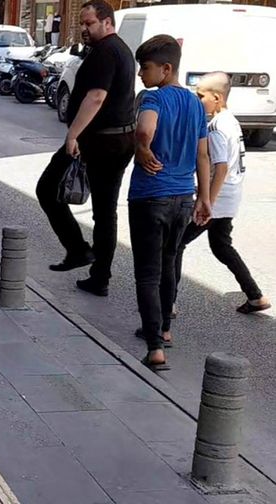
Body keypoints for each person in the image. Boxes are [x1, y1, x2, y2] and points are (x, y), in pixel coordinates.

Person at [35, 0, 135, 297]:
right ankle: (98, 274)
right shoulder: (120, 49)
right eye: (82, 23)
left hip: (100, 141)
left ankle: (80, 251)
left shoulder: (106, 51)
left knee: (47, 189)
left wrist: (73, 135)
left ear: (107, 22)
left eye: (89, 23)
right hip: (117, 140)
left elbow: (96, 97)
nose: (84, 29)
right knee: (105, 213)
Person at [131, 35, 212, 370]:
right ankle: (165, 330)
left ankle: (154, 348)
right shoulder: (196, 104)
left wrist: (143, 148)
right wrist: (204, 198)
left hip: (151, 196)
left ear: (166, 69)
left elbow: (144, 131)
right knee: (168, 265)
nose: (140, 74)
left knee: (147, 274)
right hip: (183, 197)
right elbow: (203, 154)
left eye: (146, 68)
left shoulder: (155, 98)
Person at [174, 72, 270, 315]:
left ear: (216, 98)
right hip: (229, 199)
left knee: (175, 245)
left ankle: (169, 301)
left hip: (216, 200)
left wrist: (206, 202)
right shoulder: (231, 121)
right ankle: (255, 296)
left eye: (200, 95)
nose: (197, 100)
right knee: (221, 246)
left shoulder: (216, 127)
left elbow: (221, 167)